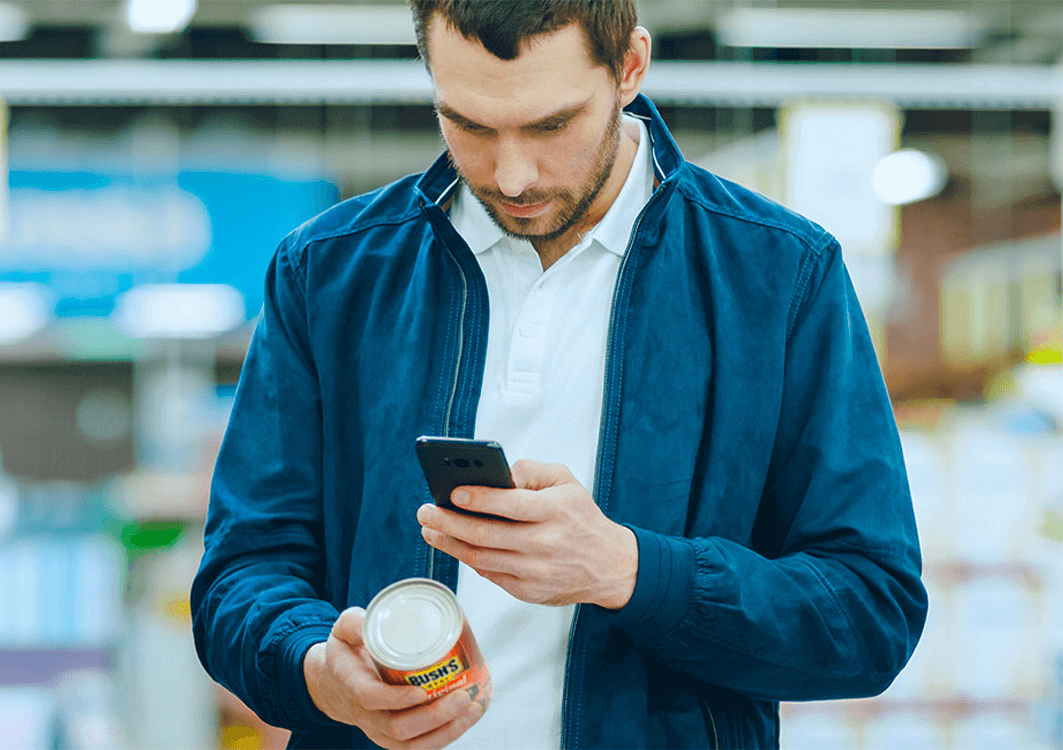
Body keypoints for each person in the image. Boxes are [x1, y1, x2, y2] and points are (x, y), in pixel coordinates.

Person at [190, 1, 928, 748]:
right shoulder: (328, 273)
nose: (511, 176)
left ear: (629, 68)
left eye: (550, 126)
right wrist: (316, 667)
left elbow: (869, 613)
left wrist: (635, 573)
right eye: (469, 125)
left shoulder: (777, 277)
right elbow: (240, 576)